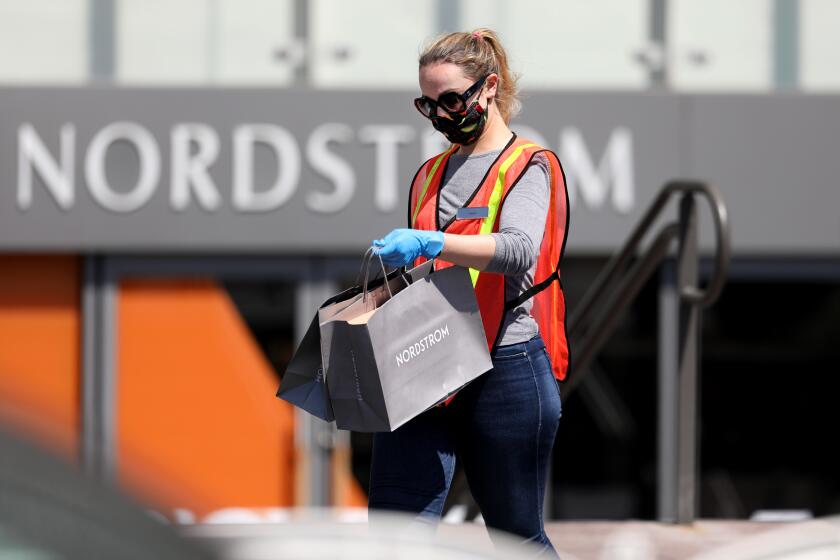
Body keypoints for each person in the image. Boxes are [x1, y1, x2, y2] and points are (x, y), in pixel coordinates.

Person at [369, 28, 570, 556]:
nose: (440, 115)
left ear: (489, 88)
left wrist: (433, 240)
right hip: (428, 358)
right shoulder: (430, 174)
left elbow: (518, 250)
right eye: (427, 104)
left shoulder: (529, 165)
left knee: (515, 537)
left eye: (451, 100)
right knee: (395, 530)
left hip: (505, 366)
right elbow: (427, 271)